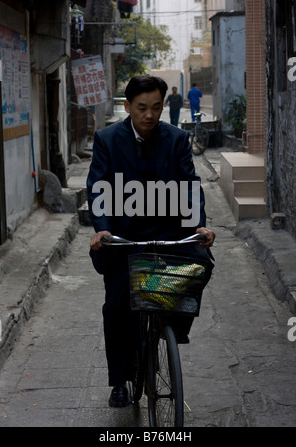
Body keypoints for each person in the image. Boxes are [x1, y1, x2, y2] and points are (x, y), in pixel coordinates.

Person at [86, 75, 215, 408]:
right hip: (123, 238)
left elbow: (189, 185)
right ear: (127, 106)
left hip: (168, 234)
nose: (149, 115)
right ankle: (119, 382)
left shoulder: (176, 139)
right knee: (116, 307)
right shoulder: (107, 139)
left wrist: (199, 225)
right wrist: (101, 229)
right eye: (141, 108)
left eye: (156, 108)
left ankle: (169, 327)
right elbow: (98, 187)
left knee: (198, 267)